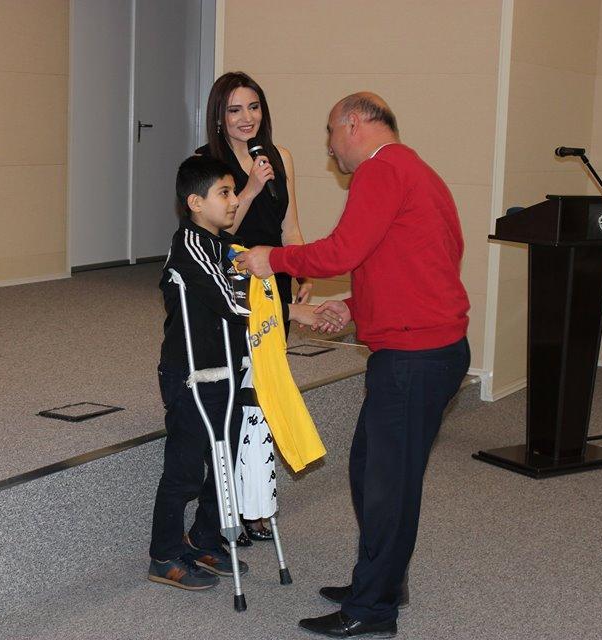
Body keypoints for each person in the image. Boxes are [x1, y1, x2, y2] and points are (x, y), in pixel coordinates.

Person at [236, 93, 471, 637]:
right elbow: (417, 259)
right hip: (425, 351)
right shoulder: (416, 171)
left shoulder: (380, 170)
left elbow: (342, 251)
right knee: (370, 469)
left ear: (354, 123)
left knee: (388, 487)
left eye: (330, 131)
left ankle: (373, 610)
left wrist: (273, 260)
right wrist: (355, 306)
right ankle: (384, 582)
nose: (328, 145)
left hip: (414, 357)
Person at [149, 155, 328, 590]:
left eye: (233, 192)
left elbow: (254, 289)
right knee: (185, 470)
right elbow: (233, 302)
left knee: (224, 464)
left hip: (228, 371)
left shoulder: (227, 246)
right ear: (195, 203)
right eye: (225, 193)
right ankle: (164, 554)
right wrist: (293, 312)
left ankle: (204, 538)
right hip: (191, 376)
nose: (234, 202)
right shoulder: (189, 247)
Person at [199, 70, 313, 543]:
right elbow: (216, 231)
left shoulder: (279, 156)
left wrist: (302, 268)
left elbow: (290, 226)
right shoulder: (206, 163)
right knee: (235, 398)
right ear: (219, 117)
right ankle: (229, 506)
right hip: (234, 283)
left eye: (253, 107)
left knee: (263, 395)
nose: (246, 118)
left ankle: (257, 504)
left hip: (275, 280)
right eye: (234, 110)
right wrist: (247, 188)